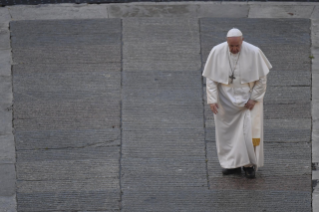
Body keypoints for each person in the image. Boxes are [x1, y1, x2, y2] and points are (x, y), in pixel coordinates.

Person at [202, 28, 272, 179]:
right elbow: (211, 79)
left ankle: (248, 166)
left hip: (248, 100)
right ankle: (231, 164)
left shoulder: (254, 52)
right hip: (225, 101)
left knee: (248, 134)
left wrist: (254, 98)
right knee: (227, 135)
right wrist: (212, 99)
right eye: (231, 46)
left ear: (242, 40)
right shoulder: (217, 51)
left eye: (237, 46)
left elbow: (261, 79)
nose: (234, 49)